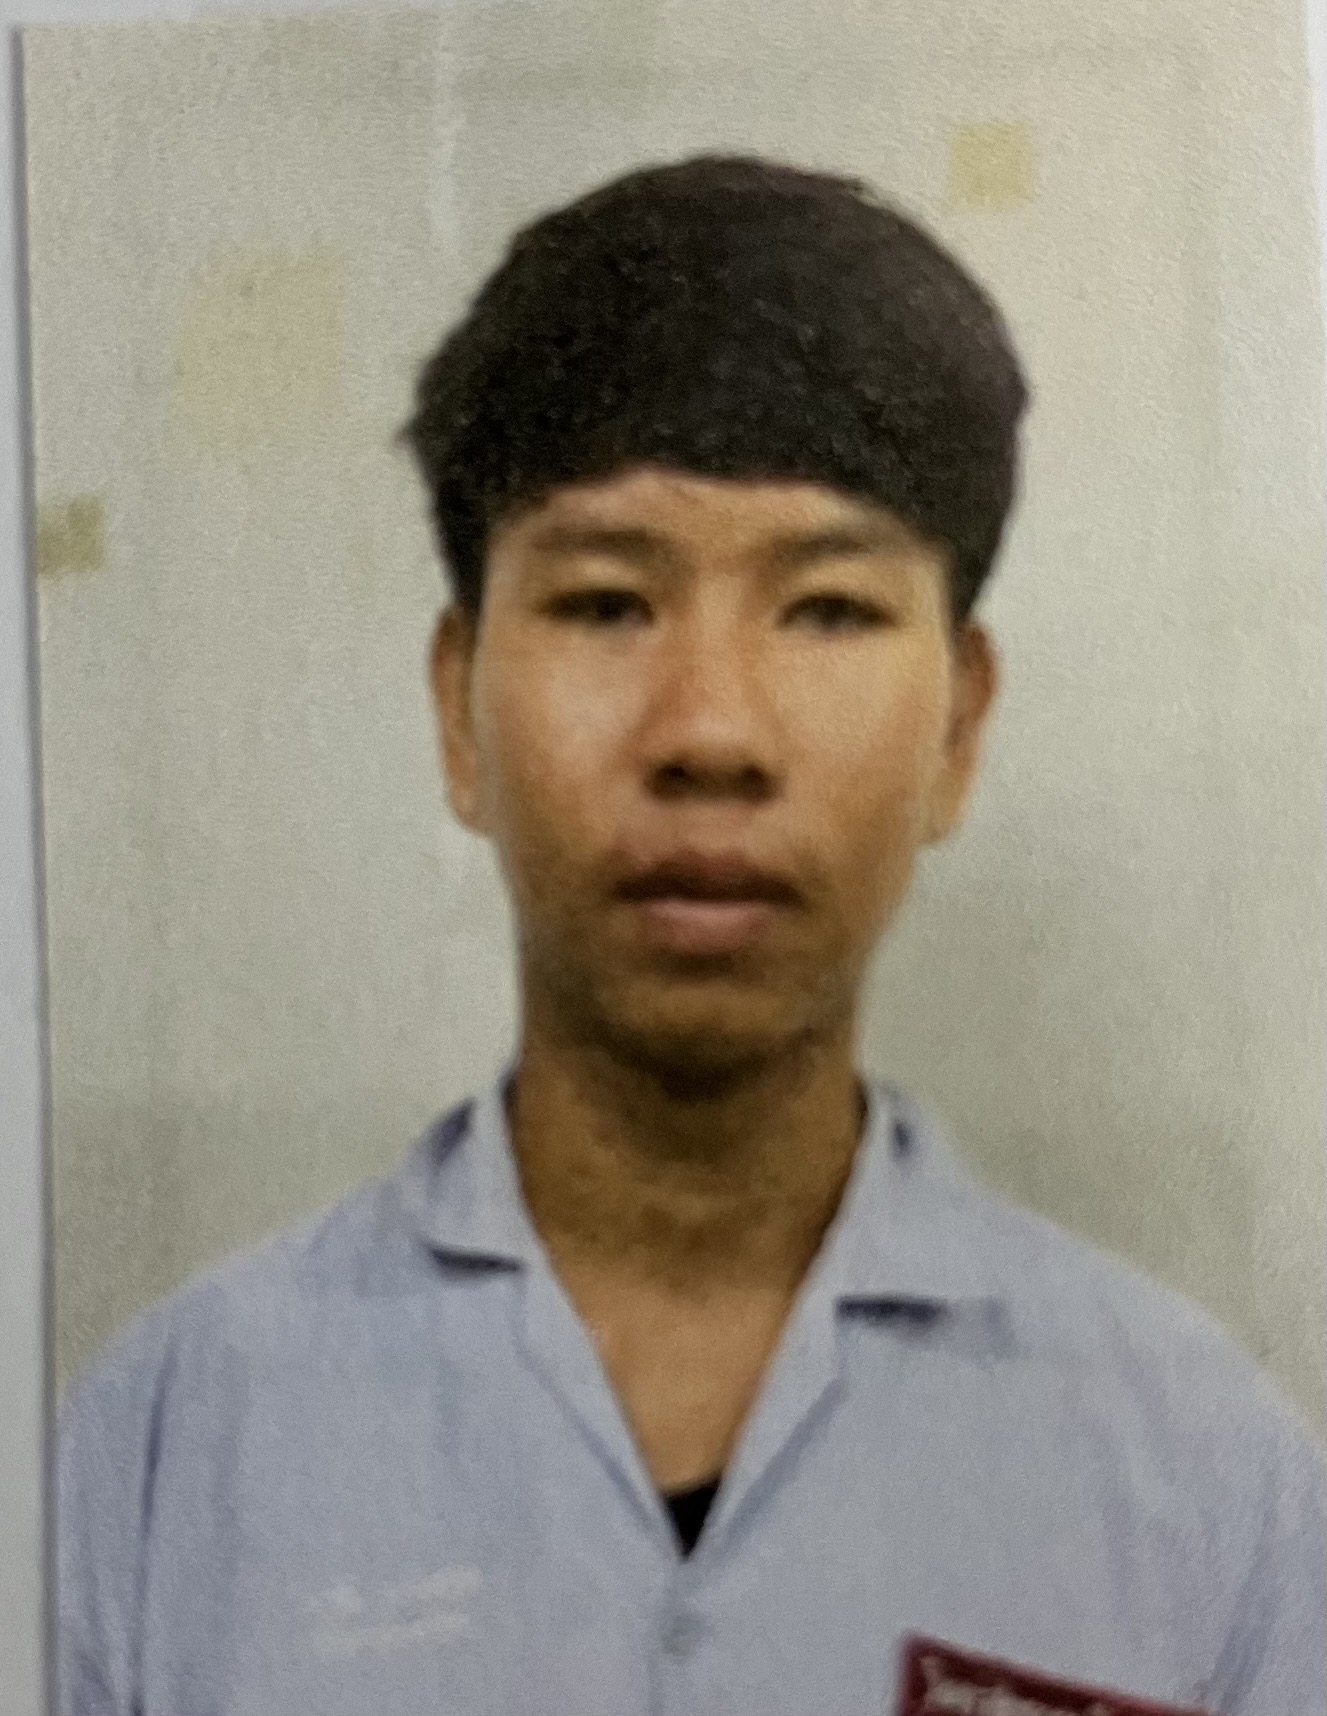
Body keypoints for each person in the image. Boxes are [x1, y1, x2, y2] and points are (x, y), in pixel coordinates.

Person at [57, 153, 1325, 1716]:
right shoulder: (164, 1451)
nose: (711, 731)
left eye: (828, 609)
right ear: (458, 710)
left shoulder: (1211, 1484)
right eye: (606, 603)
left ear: (960, 728)